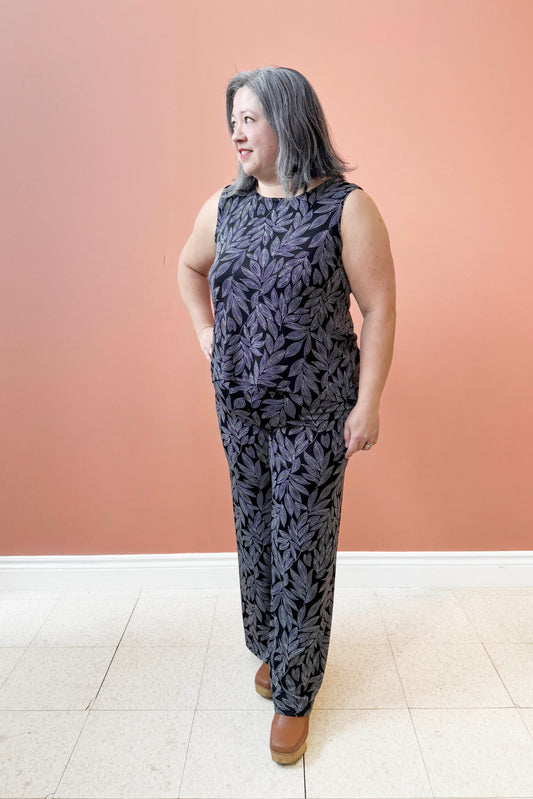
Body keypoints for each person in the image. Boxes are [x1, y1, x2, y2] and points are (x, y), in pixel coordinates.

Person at [178, 66, 396, 765]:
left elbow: (380, 306)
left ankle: (295, 693)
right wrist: (208, 336)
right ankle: (276, 646)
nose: (236, 132)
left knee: (300, 545)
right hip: (240, 410)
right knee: (256, 535)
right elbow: (189, 268)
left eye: (249, 118)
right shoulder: (224, 206)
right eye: (232, 120)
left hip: (314, 414)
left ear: (288, 119)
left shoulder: (345, 207)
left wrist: (369, 402)